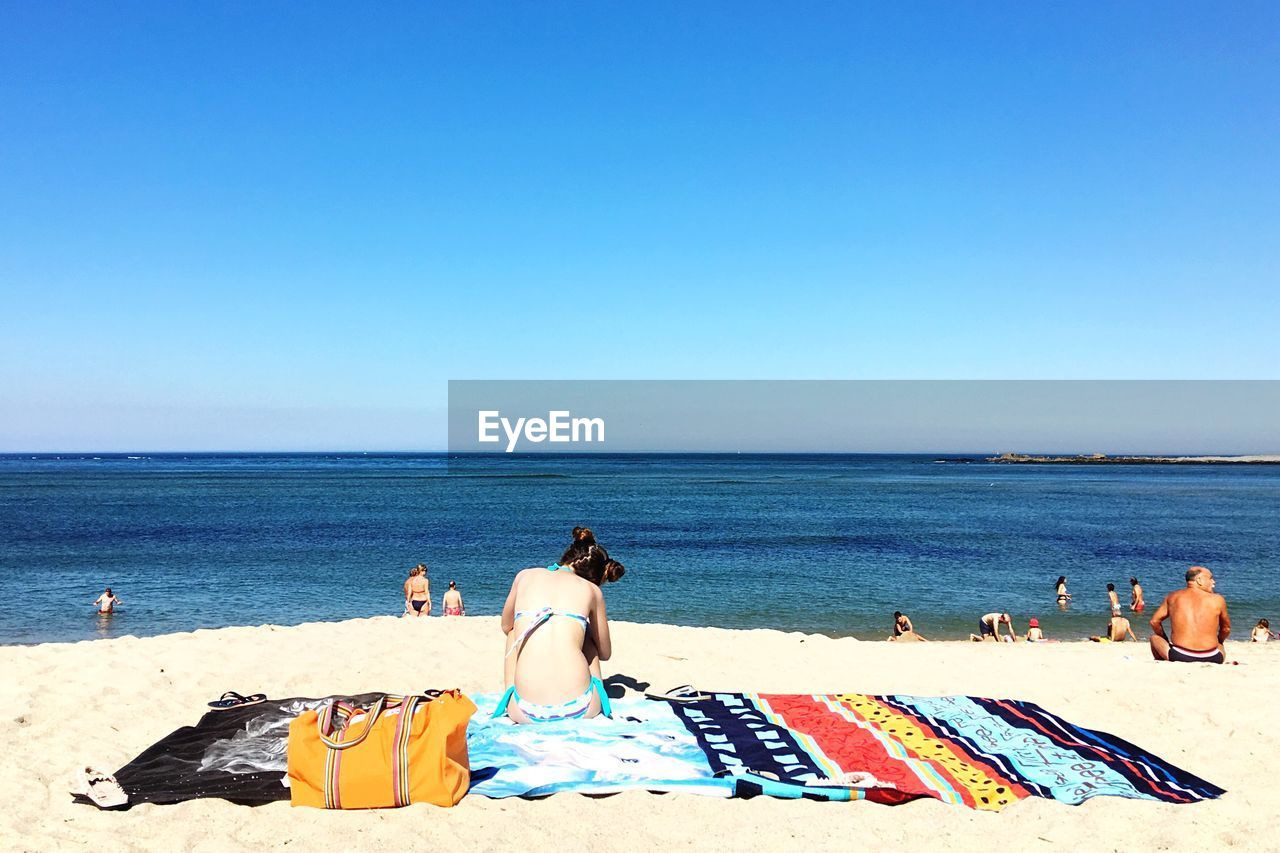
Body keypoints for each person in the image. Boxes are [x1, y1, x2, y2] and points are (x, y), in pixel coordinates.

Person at [495, 526, 625, 724]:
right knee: (589, 633)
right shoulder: (591, 590)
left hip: (523, 712)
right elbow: (605, 653)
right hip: (582, 708)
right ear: (595, 576)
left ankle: (510, 693)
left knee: (514, 632)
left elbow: (506, 626)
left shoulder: (525, 576)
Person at [1149, 566, 1230, 664]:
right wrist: (1219, 641)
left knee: (1154, 638)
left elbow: (1154, 621)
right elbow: (1226, 629)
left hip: (1180, 655)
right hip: (1212, 656)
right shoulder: (1218, 599)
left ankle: (1162, 663)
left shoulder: (1173, 597)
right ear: (1199, 580)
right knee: (1220, 645)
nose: (1213, 582)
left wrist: (1165, 639)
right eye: (1210, 578)